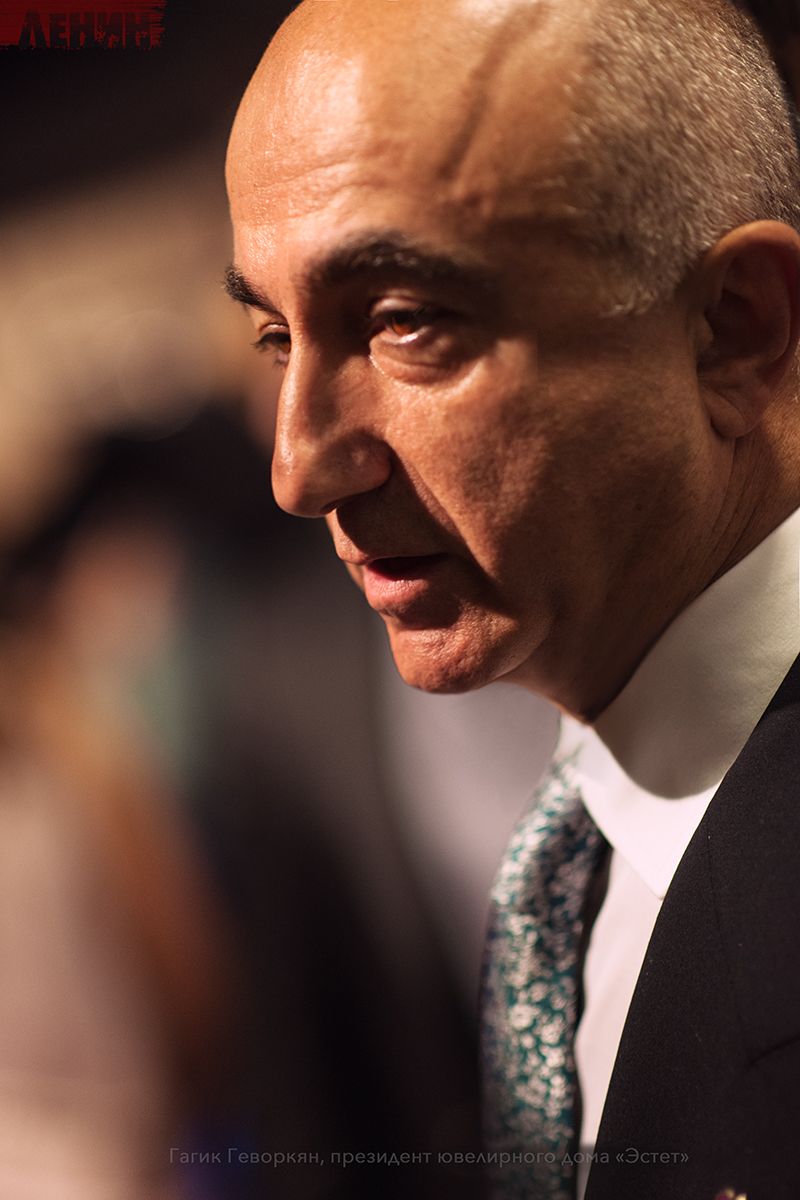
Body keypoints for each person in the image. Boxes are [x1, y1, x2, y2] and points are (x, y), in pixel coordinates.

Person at [224, 0, 800, 1197]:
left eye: (402, 322)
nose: (298, 470)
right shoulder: (582, 845)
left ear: (732, 331)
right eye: (277, 337)